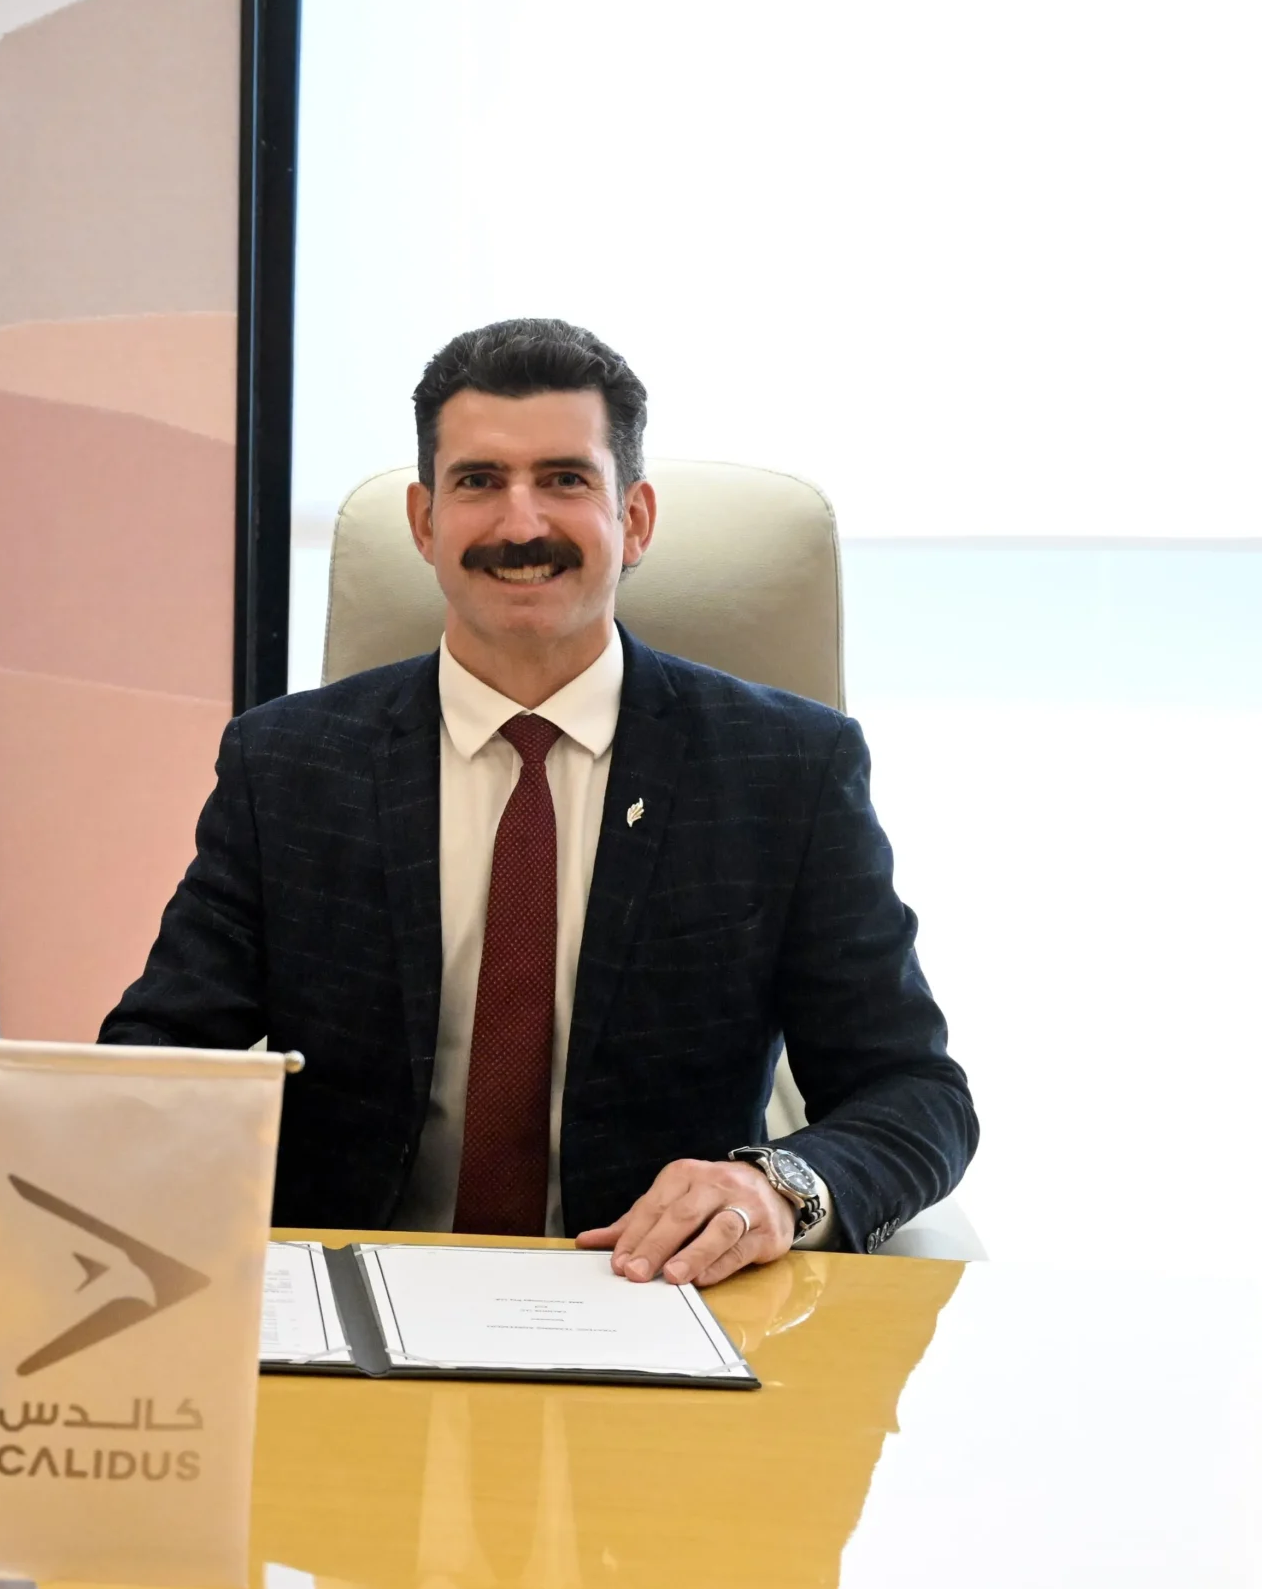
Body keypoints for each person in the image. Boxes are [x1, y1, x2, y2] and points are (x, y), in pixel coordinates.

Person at [101, 319, 974, 1287]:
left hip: (651, 1300)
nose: (521, 525)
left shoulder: (784, 769)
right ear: (423, 522)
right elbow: (157, 1064)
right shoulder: (290, 766)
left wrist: (775, 1187)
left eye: (564, 480)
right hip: (348, 1294)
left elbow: (913, 1092)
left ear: (633, 519)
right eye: (478, 482)